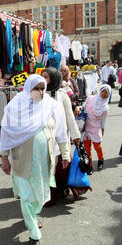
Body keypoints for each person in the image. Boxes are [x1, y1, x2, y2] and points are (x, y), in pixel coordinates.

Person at [0, 74, 71, 245]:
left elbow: (61, 130)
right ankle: (34, 234)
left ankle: (31, 216)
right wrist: (5, 158)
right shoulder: (14, 107)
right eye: (36, 88)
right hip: (21, 162)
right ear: (27, 88)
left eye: (42, 88)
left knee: (39, 198)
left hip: (44, 163)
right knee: (27, 196)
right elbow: (6, 133)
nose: (39, 92)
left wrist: (64, 153)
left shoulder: (50, 106)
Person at [41, 68, 81, 204]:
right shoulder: (38, 94)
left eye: (46, 77)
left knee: (62, 167)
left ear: (54, 78)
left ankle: (62, 188)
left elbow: (69, 115)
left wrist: (76, 135)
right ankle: (49, 194)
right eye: (42, 77)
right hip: (45, 137)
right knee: (48, 167)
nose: (43, 80)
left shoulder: (62, 94)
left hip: (61, 136)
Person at [81, 84, 111, 172]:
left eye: (106, 93)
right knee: (87, 148)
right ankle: (89, 166)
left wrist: (102, 133)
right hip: (86, 126)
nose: (104, 94)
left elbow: (103, 123)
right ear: (100, 91)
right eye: (103, 91)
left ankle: (101, 160)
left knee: (98, 147)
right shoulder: (90, 98)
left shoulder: (105, 108)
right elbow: (83, 107)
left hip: (96, 128)